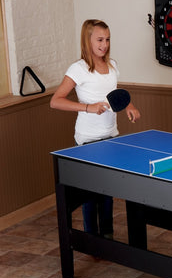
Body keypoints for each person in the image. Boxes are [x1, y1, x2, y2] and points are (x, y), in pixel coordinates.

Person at [50, 19, 141, 238]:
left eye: (107, 39)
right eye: (99, 40)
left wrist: (129, 105)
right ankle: (92, 238)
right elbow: (56, 101)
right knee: (90, 194)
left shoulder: (113, 66)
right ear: (87, 40)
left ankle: (107, 236)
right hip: (87, 140)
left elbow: (114, 94)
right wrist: (88, 107)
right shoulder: (78, 69)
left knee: (107, 191)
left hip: (111, 137)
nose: (104, 44)